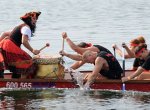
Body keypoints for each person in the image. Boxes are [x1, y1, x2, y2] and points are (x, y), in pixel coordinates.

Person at [0, 11, 41, 78]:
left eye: (36, 19)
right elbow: (24, 41)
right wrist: (33, 50)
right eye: (34, 19)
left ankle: (15, 80)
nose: (36, 21)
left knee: (17, 64)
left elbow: (5, 33)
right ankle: (22, 81)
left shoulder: (21, 26)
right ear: (29, 19)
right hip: (10, 47)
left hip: (5, 45)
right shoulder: (27, 28)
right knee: (29, 63)